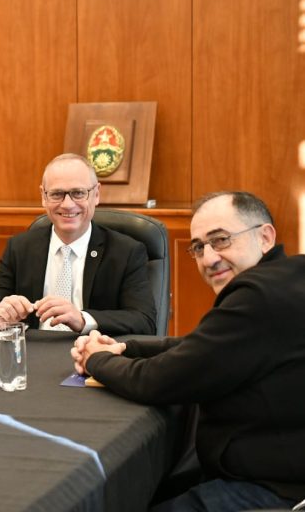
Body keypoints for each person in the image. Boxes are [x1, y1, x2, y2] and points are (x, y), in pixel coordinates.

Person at [71, 191, 305, 510]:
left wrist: (96, 360)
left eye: (220, 240)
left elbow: (158, 381)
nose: (208, 258)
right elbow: (205, 348)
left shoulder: (257, 297)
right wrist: (126, 347)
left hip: (273, 489)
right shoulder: (290, 276)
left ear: (265, 237)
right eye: (198, 247)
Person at [0, 153, 156, 335]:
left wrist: (83, 319)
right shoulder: (20, 248)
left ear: (96, 194)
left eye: (78, 193)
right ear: (43, 196)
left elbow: (144, 321)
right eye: (57, 194)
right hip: (34, 349)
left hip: (93, 349)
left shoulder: (126, 252)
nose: (67, 204)